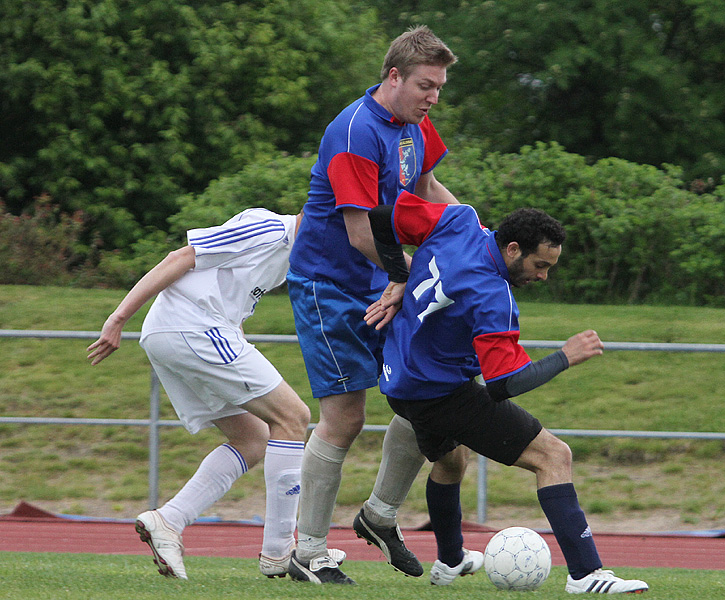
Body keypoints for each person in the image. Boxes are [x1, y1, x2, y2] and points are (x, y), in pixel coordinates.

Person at [363, 191, 650, 594]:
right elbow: (502, 386)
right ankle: (587, 575)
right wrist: (565, 357)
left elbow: (380, 217)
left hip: (400, 380)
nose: (543, 275)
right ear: (512, 249)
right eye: (539, 265)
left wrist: (398, 274)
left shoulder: (458, 220)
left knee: (450, 464)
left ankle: (449, 561)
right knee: (554, 456)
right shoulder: (493, 295)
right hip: (440, 393)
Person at [284, 25, 459, 585]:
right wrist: (406, 277)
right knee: (346, 417)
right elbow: (360, 233)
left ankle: (380, 515)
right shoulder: (355, 132)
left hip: (379, 279)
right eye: (425, 85)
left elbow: (429, 188)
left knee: (421, 391)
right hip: (328, 286)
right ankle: (306, 550)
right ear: (393, 77)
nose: (434, 96)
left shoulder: (415, 126)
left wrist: (477, 237)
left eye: (439, 86)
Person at [87, 208, 344, 580]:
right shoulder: (270, 229)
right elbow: (181, 257)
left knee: (252, 437)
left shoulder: (287, 256)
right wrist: (118, 319)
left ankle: (168, 521)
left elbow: (233, 305)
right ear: (318, 216)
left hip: (182, 333)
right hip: (192, 328)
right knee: (294, 416)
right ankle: (279, 551)